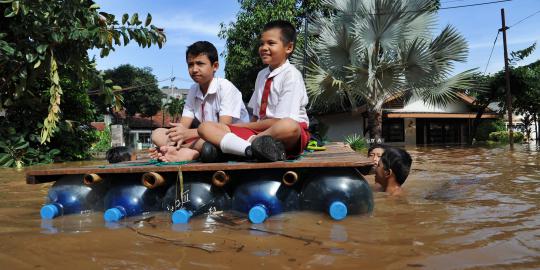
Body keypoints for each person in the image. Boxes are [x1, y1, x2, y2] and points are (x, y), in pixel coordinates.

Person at [196, 20, 310, 163]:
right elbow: (256, 116)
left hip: (282, 132)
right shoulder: (261, 75)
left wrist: (242, 127)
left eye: (271, 43)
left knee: (289, 126)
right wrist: (245, 128)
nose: (264, 47)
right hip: (259, 132)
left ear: (288, 47)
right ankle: (250, 150)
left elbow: (280, 120)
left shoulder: (291, 75)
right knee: (205, 127)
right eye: (262, 43)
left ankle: (237, 148)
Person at [150, 41, 249, 162]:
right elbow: (183, 126)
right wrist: (176, 136)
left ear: (215, 66)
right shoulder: (193, 89)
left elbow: (224, 128)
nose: (194, 69)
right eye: (190, 64)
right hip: (200, 139)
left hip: (227, 138)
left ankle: (184, 151)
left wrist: (186, 134)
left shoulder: (226, 87)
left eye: (200, 64)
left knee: (209, 142)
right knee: (157, 133)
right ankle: (183, 151)